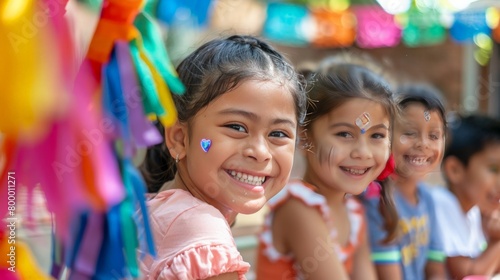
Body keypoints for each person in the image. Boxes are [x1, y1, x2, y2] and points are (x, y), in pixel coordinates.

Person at [137, 35, 307, 280]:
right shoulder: (203, 233)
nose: (259, 152)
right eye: (237, 127)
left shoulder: (154, 207)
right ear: (179, 138)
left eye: (278, 134)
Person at [255, 55, 399, 280]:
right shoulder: (298, 208)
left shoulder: (354, 212)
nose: (362, 152)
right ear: (305, 138)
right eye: (344, 134)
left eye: (377, 135)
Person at [363, 83, 448, 280]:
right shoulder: (376, 201)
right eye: (409, 133)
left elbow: (435, 271)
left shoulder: (428, 198)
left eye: (434, 136)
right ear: (385, 136)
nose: (423, 144)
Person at [430, 114, 500, 279]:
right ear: (455, 170)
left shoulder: (473, 211)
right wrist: (496, 241)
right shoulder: (442, 204)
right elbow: (469, 275)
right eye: (494, 170)